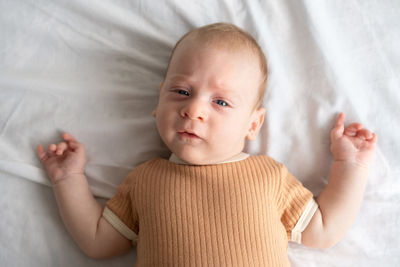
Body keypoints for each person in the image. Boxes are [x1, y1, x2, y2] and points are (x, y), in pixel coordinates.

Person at [37, 23, 377, 266]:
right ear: (158, 101)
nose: (194, 109)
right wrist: (69, 180)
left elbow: (323, 231)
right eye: (182, 92)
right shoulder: (145, 180)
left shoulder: (268, 176)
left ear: (252, 124)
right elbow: (99, 243)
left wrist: (351, 166)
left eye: (221, 102)